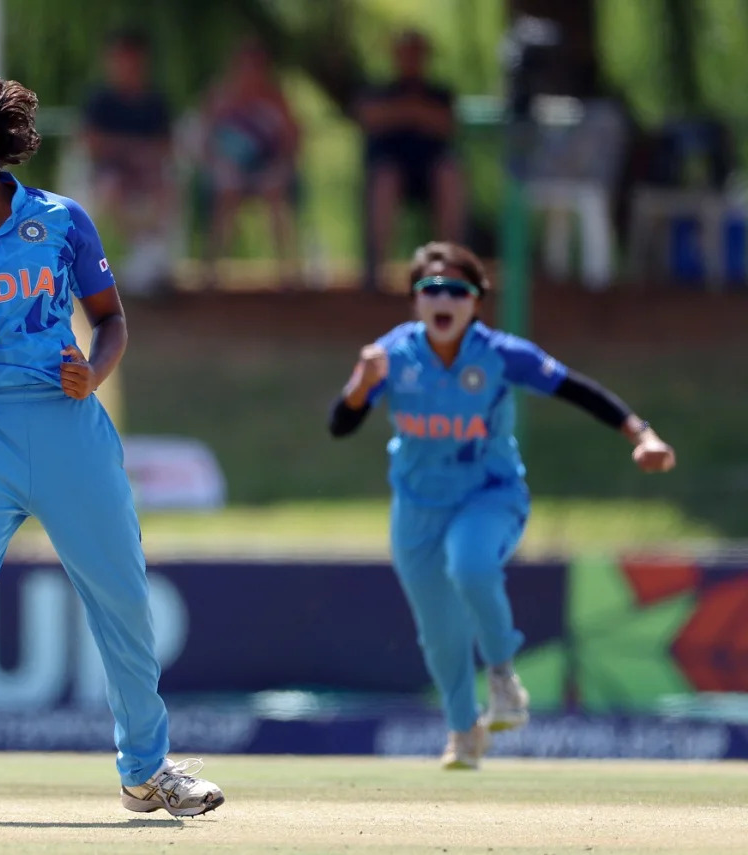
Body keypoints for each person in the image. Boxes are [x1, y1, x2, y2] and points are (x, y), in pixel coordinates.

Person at [0, 59, 224, 820]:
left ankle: (148, 772)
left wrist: (94, 371)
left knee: (121, 597)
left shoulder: (62, 220)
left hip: (69, 426)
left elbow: (113, 318)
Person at [327, 241, 676, 769]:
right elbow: (341, 425)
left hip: (489, 495)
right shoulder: (393, 355)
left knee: (470, 566)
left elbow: (576, 390)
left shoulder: (500, 354)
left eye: (456, 290)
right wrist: (361, 385)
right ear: (416, 301)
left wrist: (642, 435)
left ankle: (502, 676)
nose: (443, 298)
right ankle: (465, 732)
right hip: (417, 508)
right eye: (431, 289)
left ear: (476, 302)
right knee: (440, 634)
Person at [357, 30, 466, 291]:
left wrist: (404, 112)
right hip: (392, 172)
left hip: (430, 174)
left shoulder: (440, 92)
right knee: (385, 179)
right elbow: (370, 117)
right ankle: (376, 271)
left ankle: (450, 268)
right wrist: (415, 112)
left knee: (449, 175)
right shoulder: (378, 90)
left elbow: (445, 124)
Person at [80, 29, 176, 296]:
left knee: (165, 188)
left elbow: (166, 146)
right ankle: (118, 256)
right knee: (112, 187)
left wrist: (140, 156)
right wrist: (130, 149)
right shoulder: (100, 100)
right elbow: (91, 142)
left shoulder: (154, 101)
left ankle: (149, 257)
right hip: (109, 174)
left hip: (146, 174)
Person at [199, 39, 301, 285]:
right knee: (227, 188)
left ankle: (288, 270)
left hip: (268, 169)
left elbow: (292, 142)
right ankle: (212, 269)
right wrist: (220, 164)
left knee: (274, 189)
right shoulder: (220, 98)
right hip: (229, 169)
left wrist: (277, 166)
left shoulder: (277, 100)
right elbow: (204, 140)